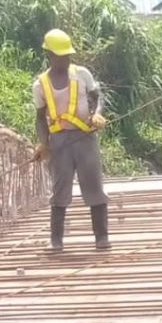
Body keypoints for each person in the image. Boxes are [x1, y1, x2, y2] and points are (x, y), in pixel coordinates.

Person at [32, 29, 110, 251]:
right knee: (60, 189)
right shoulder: (40, 84)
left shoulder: (82, 74)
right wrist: (44, 143)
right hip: (59, 141)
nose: (66, 59)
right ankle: (56, 240)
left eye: (68, 55)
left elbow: (97, 97)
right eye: (61, 55)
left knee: (94, 185)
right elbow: (40, 117)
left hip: (85, 137)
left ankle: (102, 237)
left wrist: (97, 114)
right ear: (49, 54)